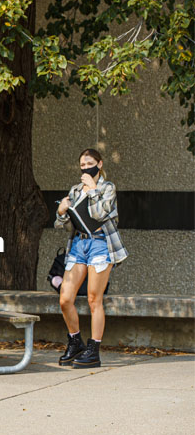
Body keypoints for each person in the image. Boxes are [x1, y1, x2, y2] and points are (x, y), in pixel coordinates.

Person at [55, 148, 128, 368]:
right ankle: (75, 341)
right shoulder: (76, 190)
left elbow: (100, 214)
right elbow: (66, 226)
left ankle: (94, 350)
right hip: (79, 243)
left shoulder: (107, 188)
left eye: (89, 163)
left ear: (100, 163)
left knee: (94, 299)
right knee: (65, 298)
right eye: (83, 165)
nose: (86, 168)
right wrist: (61, 212)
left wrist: (94, 190)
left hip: (100, 244)